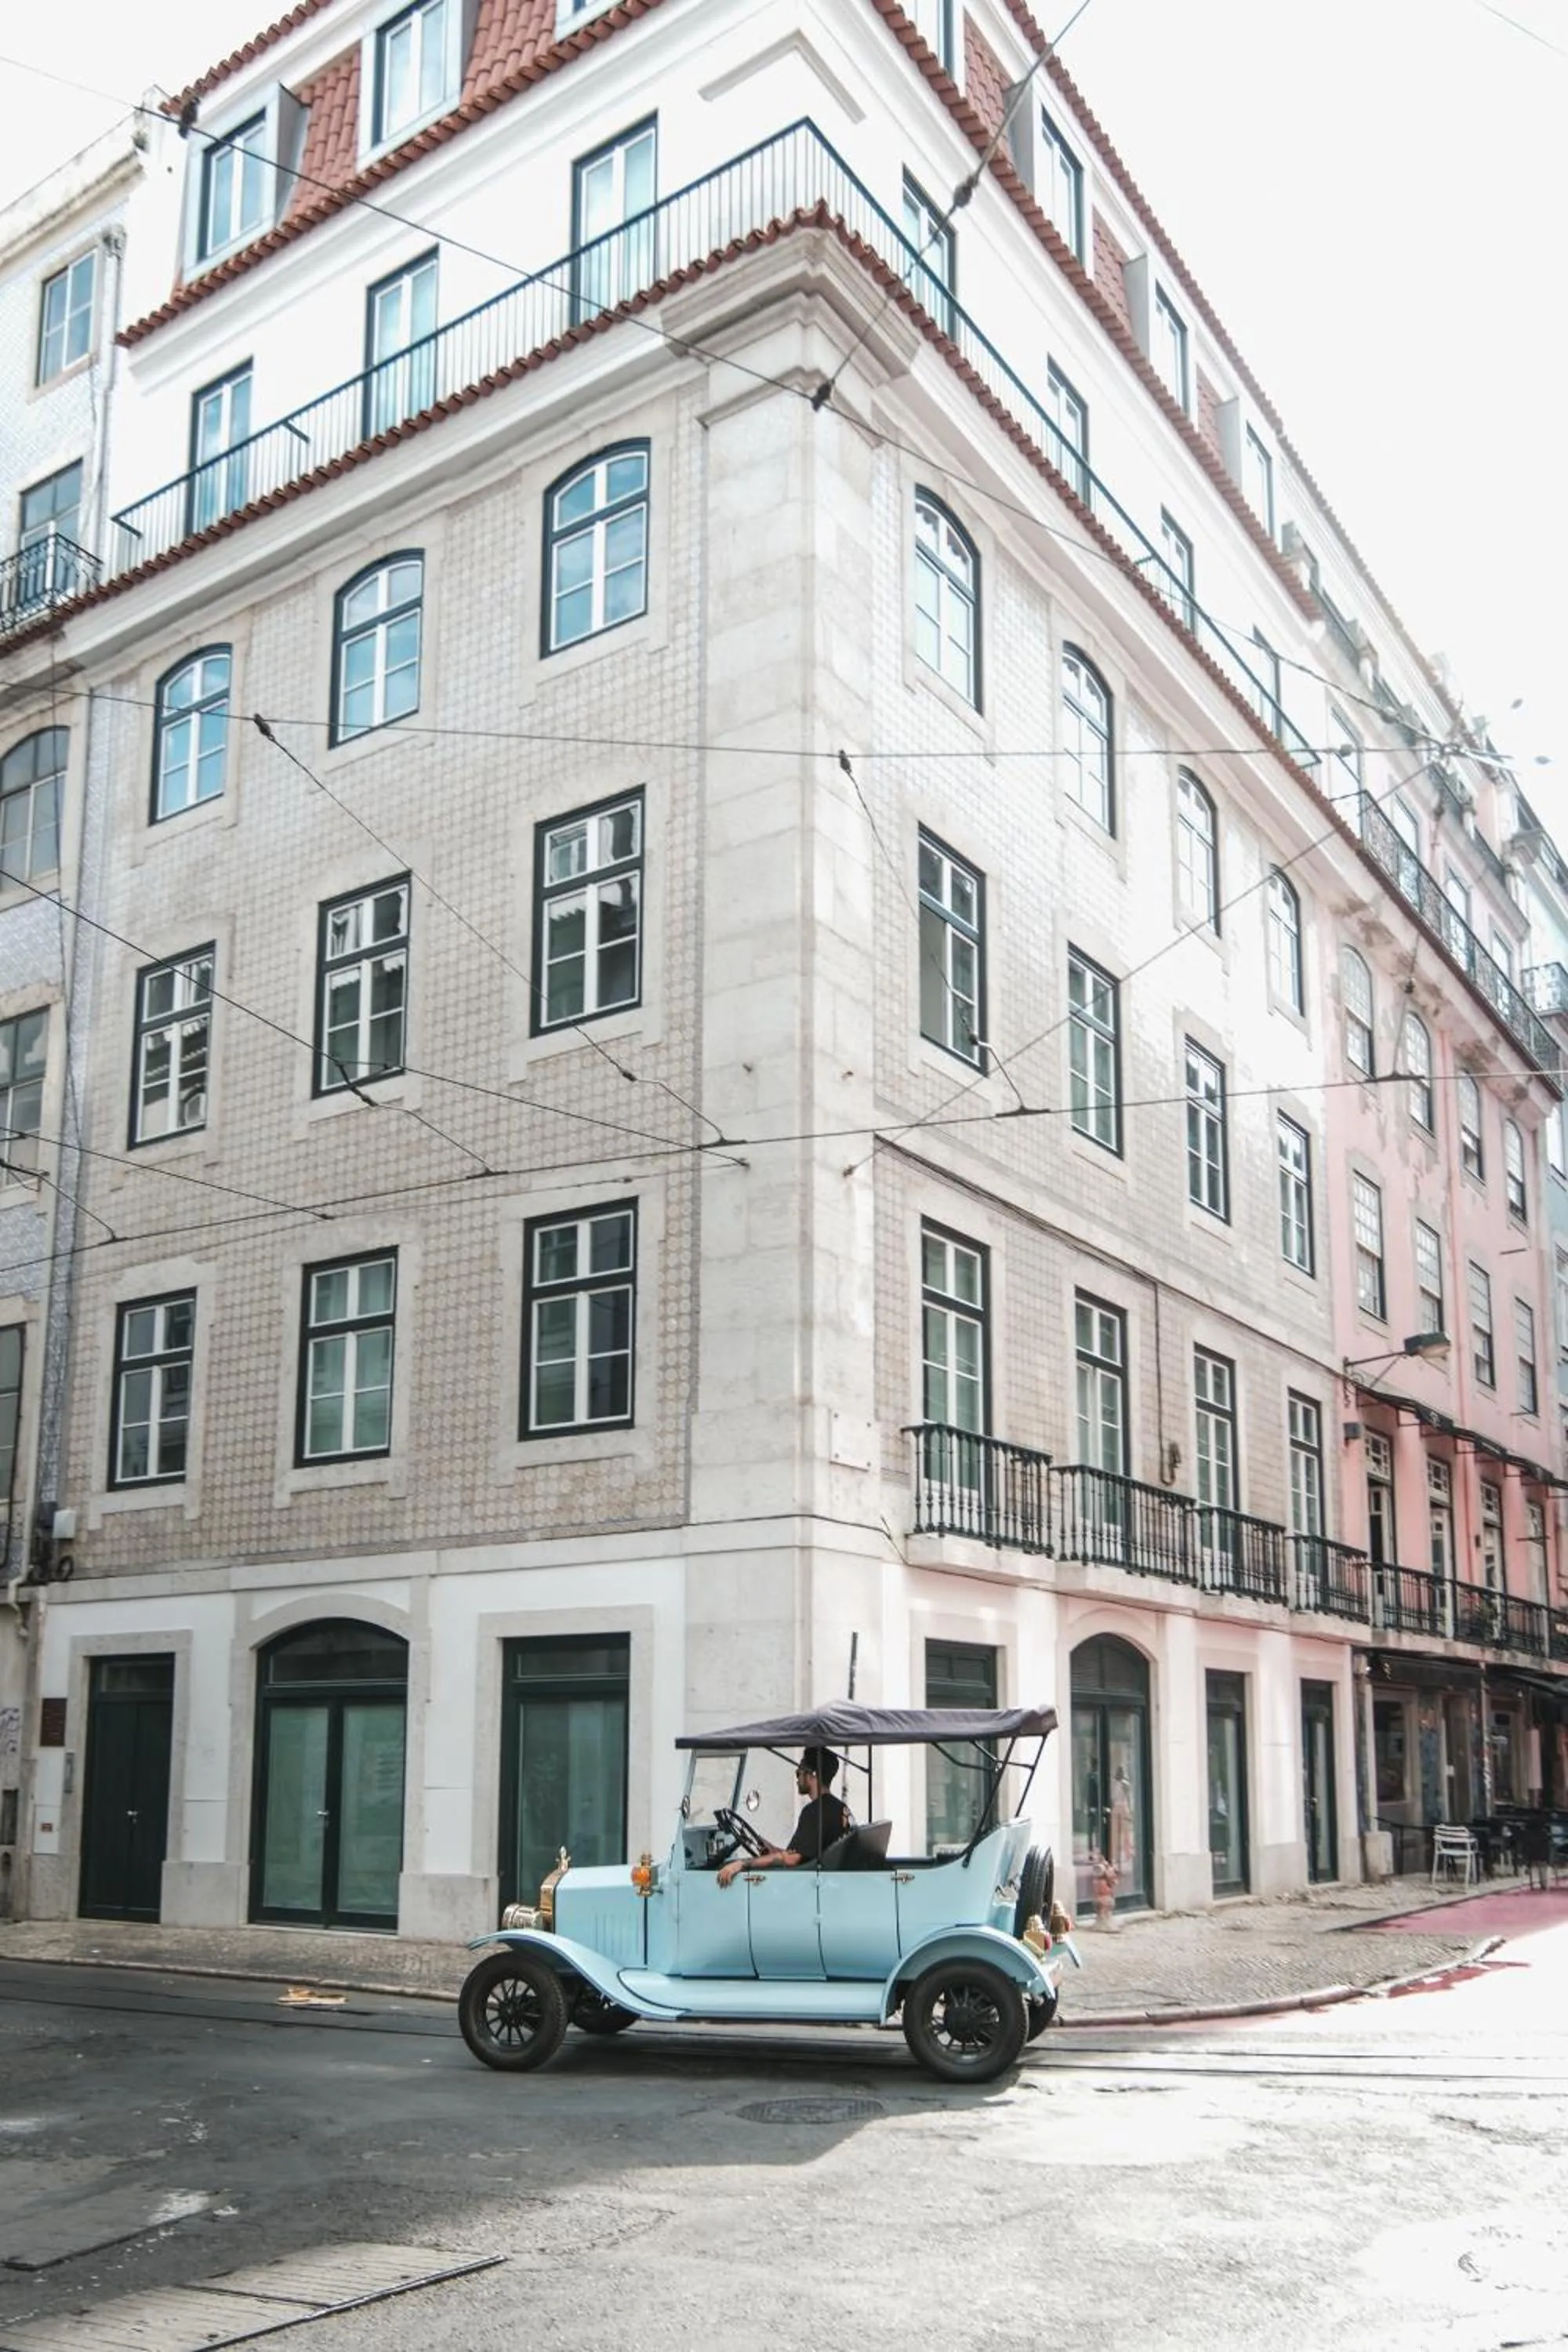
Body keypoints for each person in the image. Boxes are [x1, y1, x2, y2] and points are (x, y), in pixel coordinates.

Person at [717, 1746, 852, 1888]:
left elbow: (792, 1859)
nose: (797, 1773)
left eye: (800, 1769)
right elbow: (801, 1854)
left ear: (813, 1774)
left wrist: (741, 1864)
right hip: (832, 1883)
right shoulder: (837, 1808)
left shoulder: (815, 1811)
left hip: (813, 1887)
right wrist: (770, 1848)